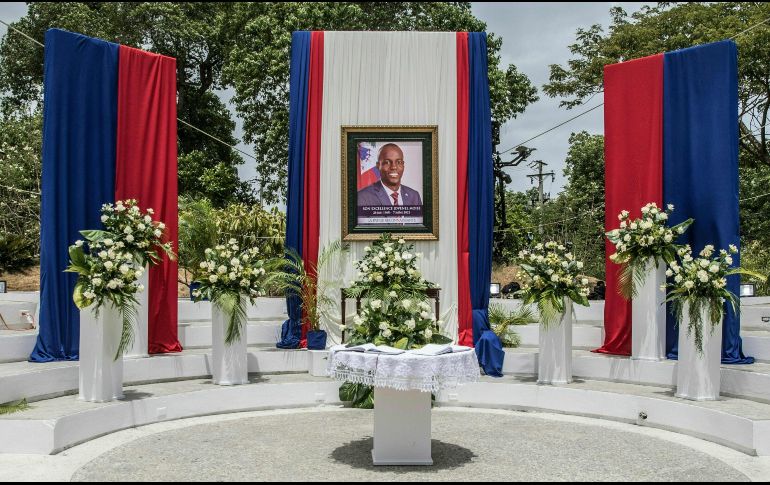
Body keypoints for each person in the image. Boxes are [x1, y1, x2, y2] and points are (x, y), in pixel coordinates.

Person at [357, 143, 422, 207]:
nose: (394, 167)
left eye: (399, 162)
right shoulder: (363, 197)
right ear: (378, 166)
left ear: (403, 165)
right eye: (387, 162)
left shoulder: (414, 196)